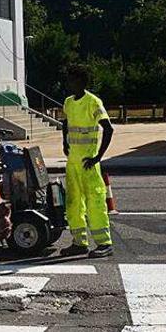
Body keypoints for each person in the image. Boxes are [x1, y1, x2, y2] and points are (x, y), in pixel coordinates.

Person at [60, 65, 115, 258]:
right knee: (73, 203)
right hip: (73, 162)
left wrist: (98, 157)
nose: (69, 84)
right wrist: (64, 142)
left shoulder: (93, 102)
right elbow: (65, 123)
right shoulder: (68, 102)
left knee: (95, 202)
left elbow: (108, 129)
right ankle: (79, 242)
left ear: (82, 82)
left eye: (72, 80)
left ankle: (104, 243)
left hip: (88, 163)